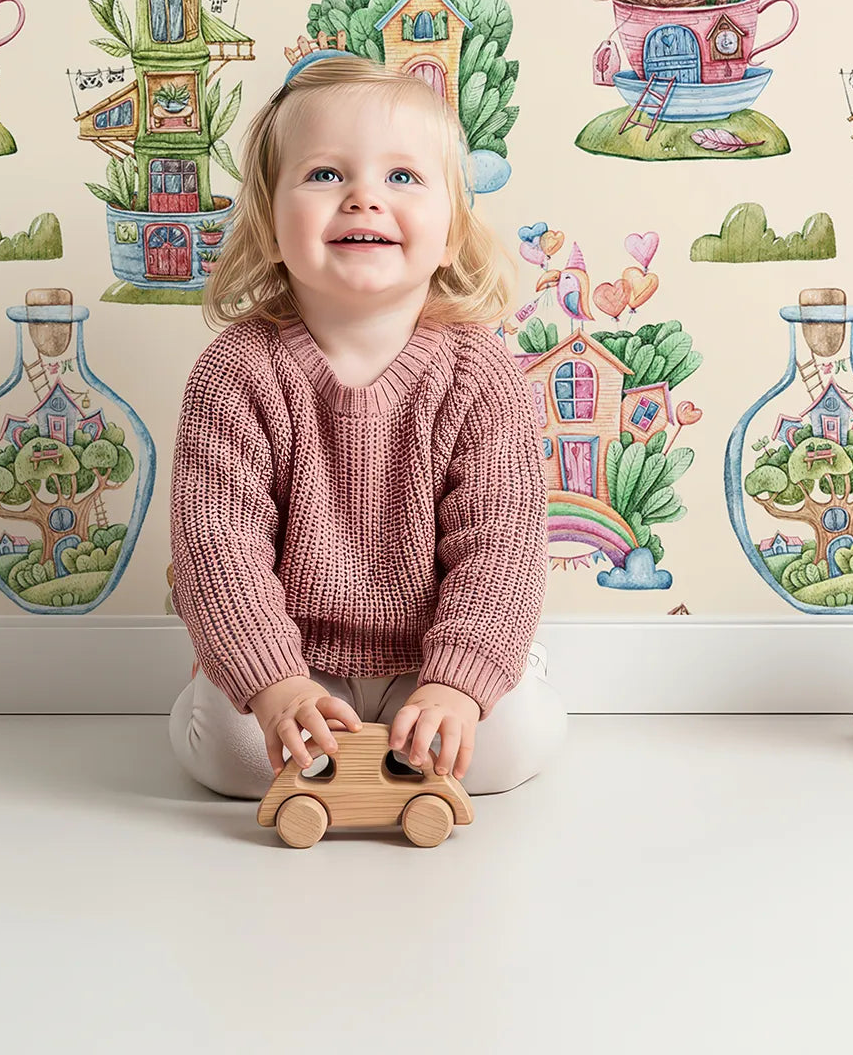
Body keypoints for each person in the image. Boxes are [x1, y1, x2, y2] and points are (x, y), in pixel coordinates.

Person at [168, 54, 564, 800]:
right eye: (324, 176)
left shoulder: (480, 376)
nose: (362, 199)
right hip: (296, 659)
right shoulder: (237, 373)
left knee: (502, 751)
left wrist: (457, 686)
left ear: (449, 235)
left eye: (403, 178)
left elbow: (502, 545)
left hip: (431, 655)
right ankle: (220, 682)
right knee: (237, 761)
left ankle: (508, 671)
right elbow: (217, 548)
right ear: (271, 227)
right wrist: (275, 686)